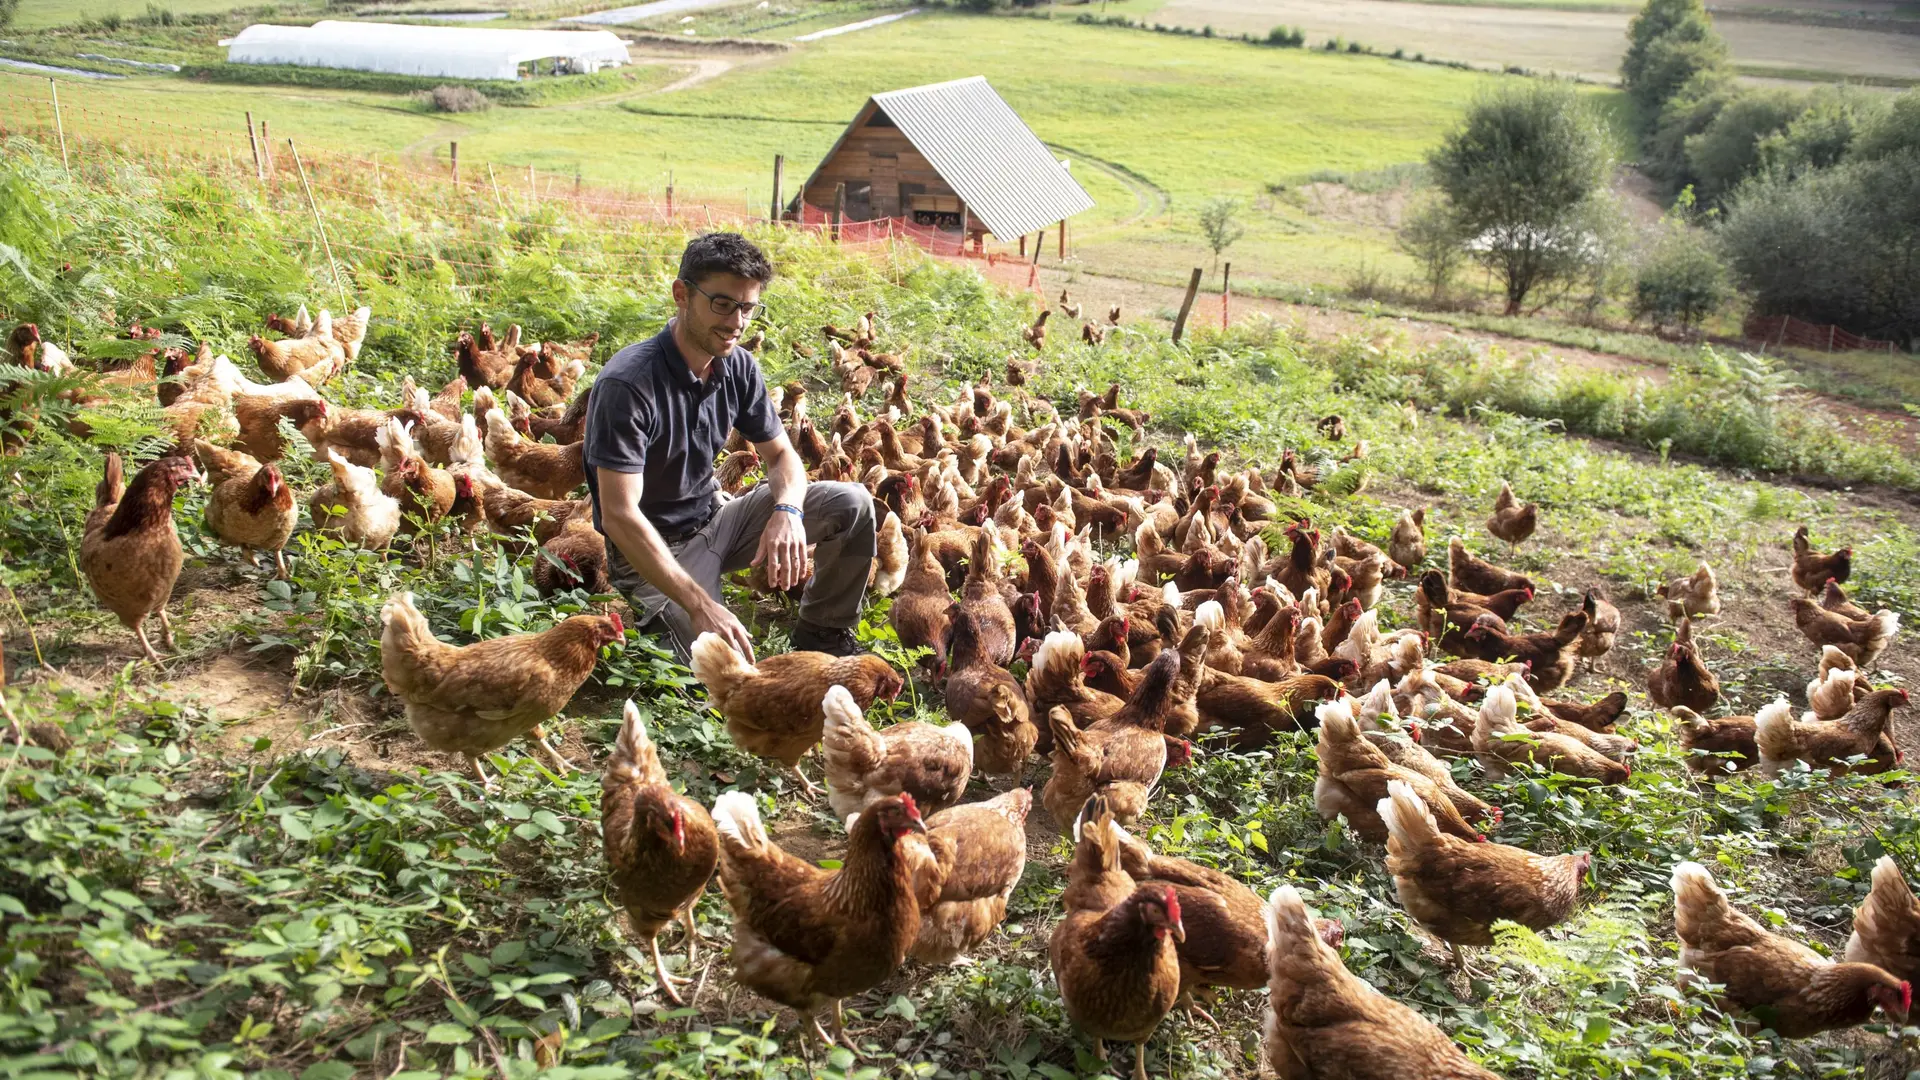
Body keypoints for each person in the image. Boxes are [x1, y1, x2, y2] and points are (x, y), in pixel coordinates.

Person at [585, 233, 875, 661]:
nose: (737, 322)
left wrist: (788, 512)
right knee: (721, 669)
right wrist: (701, 605)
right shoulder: (629, 385)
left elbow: (781, 456)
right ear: (682, 295)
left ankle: (823, 633)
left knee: (851, 502)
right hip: (653, 548)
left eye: (748, 307)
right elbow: (621, 517)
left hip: (717, 519)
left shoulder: (736, 364)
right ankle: (679, 608)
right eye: (723, 304)